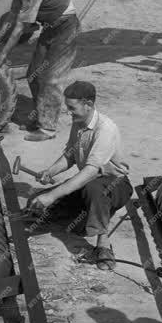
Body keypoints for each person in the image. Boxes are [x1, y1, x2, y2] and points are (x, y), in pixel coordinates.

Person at [27, 81, 132, 271]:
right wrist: (50, 171)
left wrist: (51, 195)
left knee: (93, 190)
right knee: (38, 204)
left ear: (89, 105)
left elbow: (91, 171)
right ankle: (86, 217)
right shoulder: (78, 124)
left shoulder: (105, 129)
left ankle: (103, 245)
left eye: (72, 108)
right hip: (89, 182)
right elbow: (70, 155)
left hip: (114, 184)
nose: (69, 112)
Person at [0, 0, 80, 141]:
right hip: (51, 28)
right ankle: (40, 117)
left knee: (51, 79)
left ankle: (48, 129)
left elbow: (20, 28)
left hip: (66, 29)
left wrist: (2, 55)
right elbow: (11, 18)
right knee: (33, 73)